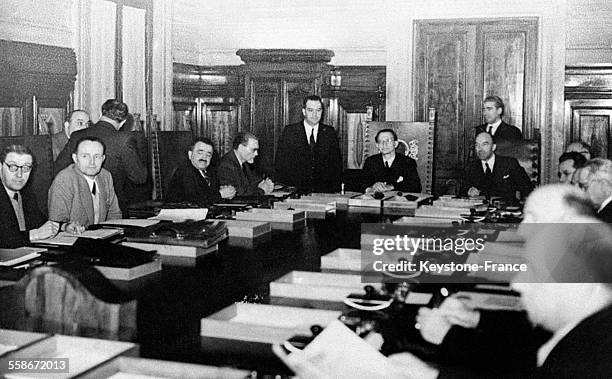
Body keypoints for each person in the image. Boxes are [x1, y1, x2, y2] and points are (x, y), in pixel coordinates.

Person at [54, 99, 147, 214]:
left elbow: (58, 168)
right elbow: (140, 178)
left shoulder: (76, 135)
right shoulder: (124, 140)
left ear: (101, 114)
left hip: (78, 206)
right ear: (123, 122)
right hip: (112, 208)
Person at [48, 137, 122, 229]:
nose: (92, 162)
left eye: (97, 157)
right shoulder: (64, 179)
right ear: (75, 158)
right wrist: (66, 227)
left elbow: (114, 213)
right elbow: (56, 221)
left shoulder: (105, 176)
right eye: (85, 156)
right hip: (74, 240)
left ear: (103, 159)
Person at [275, 95, 342, 193]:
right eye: (310, 110)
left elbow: (336, 166)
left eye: (318, 110)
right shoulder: (290, 132)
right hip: (296, 192)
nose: (315, 114)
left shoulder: (329, 133)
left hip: (323, 192)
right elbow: (281, 164)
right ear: (303, 111)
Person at [0, 145, 61, 248]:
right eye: (13, 167)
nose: (19, 174)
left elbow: (41, 222)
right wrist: (35, 234)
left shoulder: (26, 194)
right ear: (0, 167)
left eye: (26, 168)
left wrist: (64, 226)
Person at [464, 132, 533, 203]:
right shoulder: (471, 167)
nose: (480, 149)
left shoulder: (509, 163)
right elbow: (462, 190)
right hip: (480, 210)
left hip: (506, 209)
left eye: (485, 144)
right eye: (477, 145)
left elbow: (527, 187)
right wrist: (469, 190)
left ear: (493, 147)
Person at [167, 137, 236, 204]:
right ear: (190, 154)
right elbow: (195, 199)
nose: (204, 157)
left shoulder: (208, 173)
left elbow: (207, 194)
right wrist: (220, 194)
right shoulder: (185, 171)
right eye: (200, 153)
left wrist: (227, 192)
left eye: (208, 155)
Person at [361, 129, 421, 193]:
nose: (384, 144)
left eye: (388, 141)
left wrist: (391, 187)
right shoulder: (370, 161)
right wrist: (371, 188)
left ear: (395, 144)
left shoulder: (407, 162)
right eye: (381, 141)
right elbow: (362, 184)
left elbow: (416, 186)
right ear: (377, 145)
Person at [218, 132, 274, 197]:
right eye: (254, 150)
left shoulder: (244, 163)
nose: (256, 154)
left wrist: (265, 183)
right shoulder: (226, 165)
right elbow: (237, 193)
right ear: (241, 147)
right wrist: (262, 190)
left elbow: (254, 182)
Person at [582, 158, 612, 222]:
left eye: (585, 187)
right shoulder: (603, 212)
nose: (581, 192)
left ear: (603, 186)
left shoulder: (607, 217)